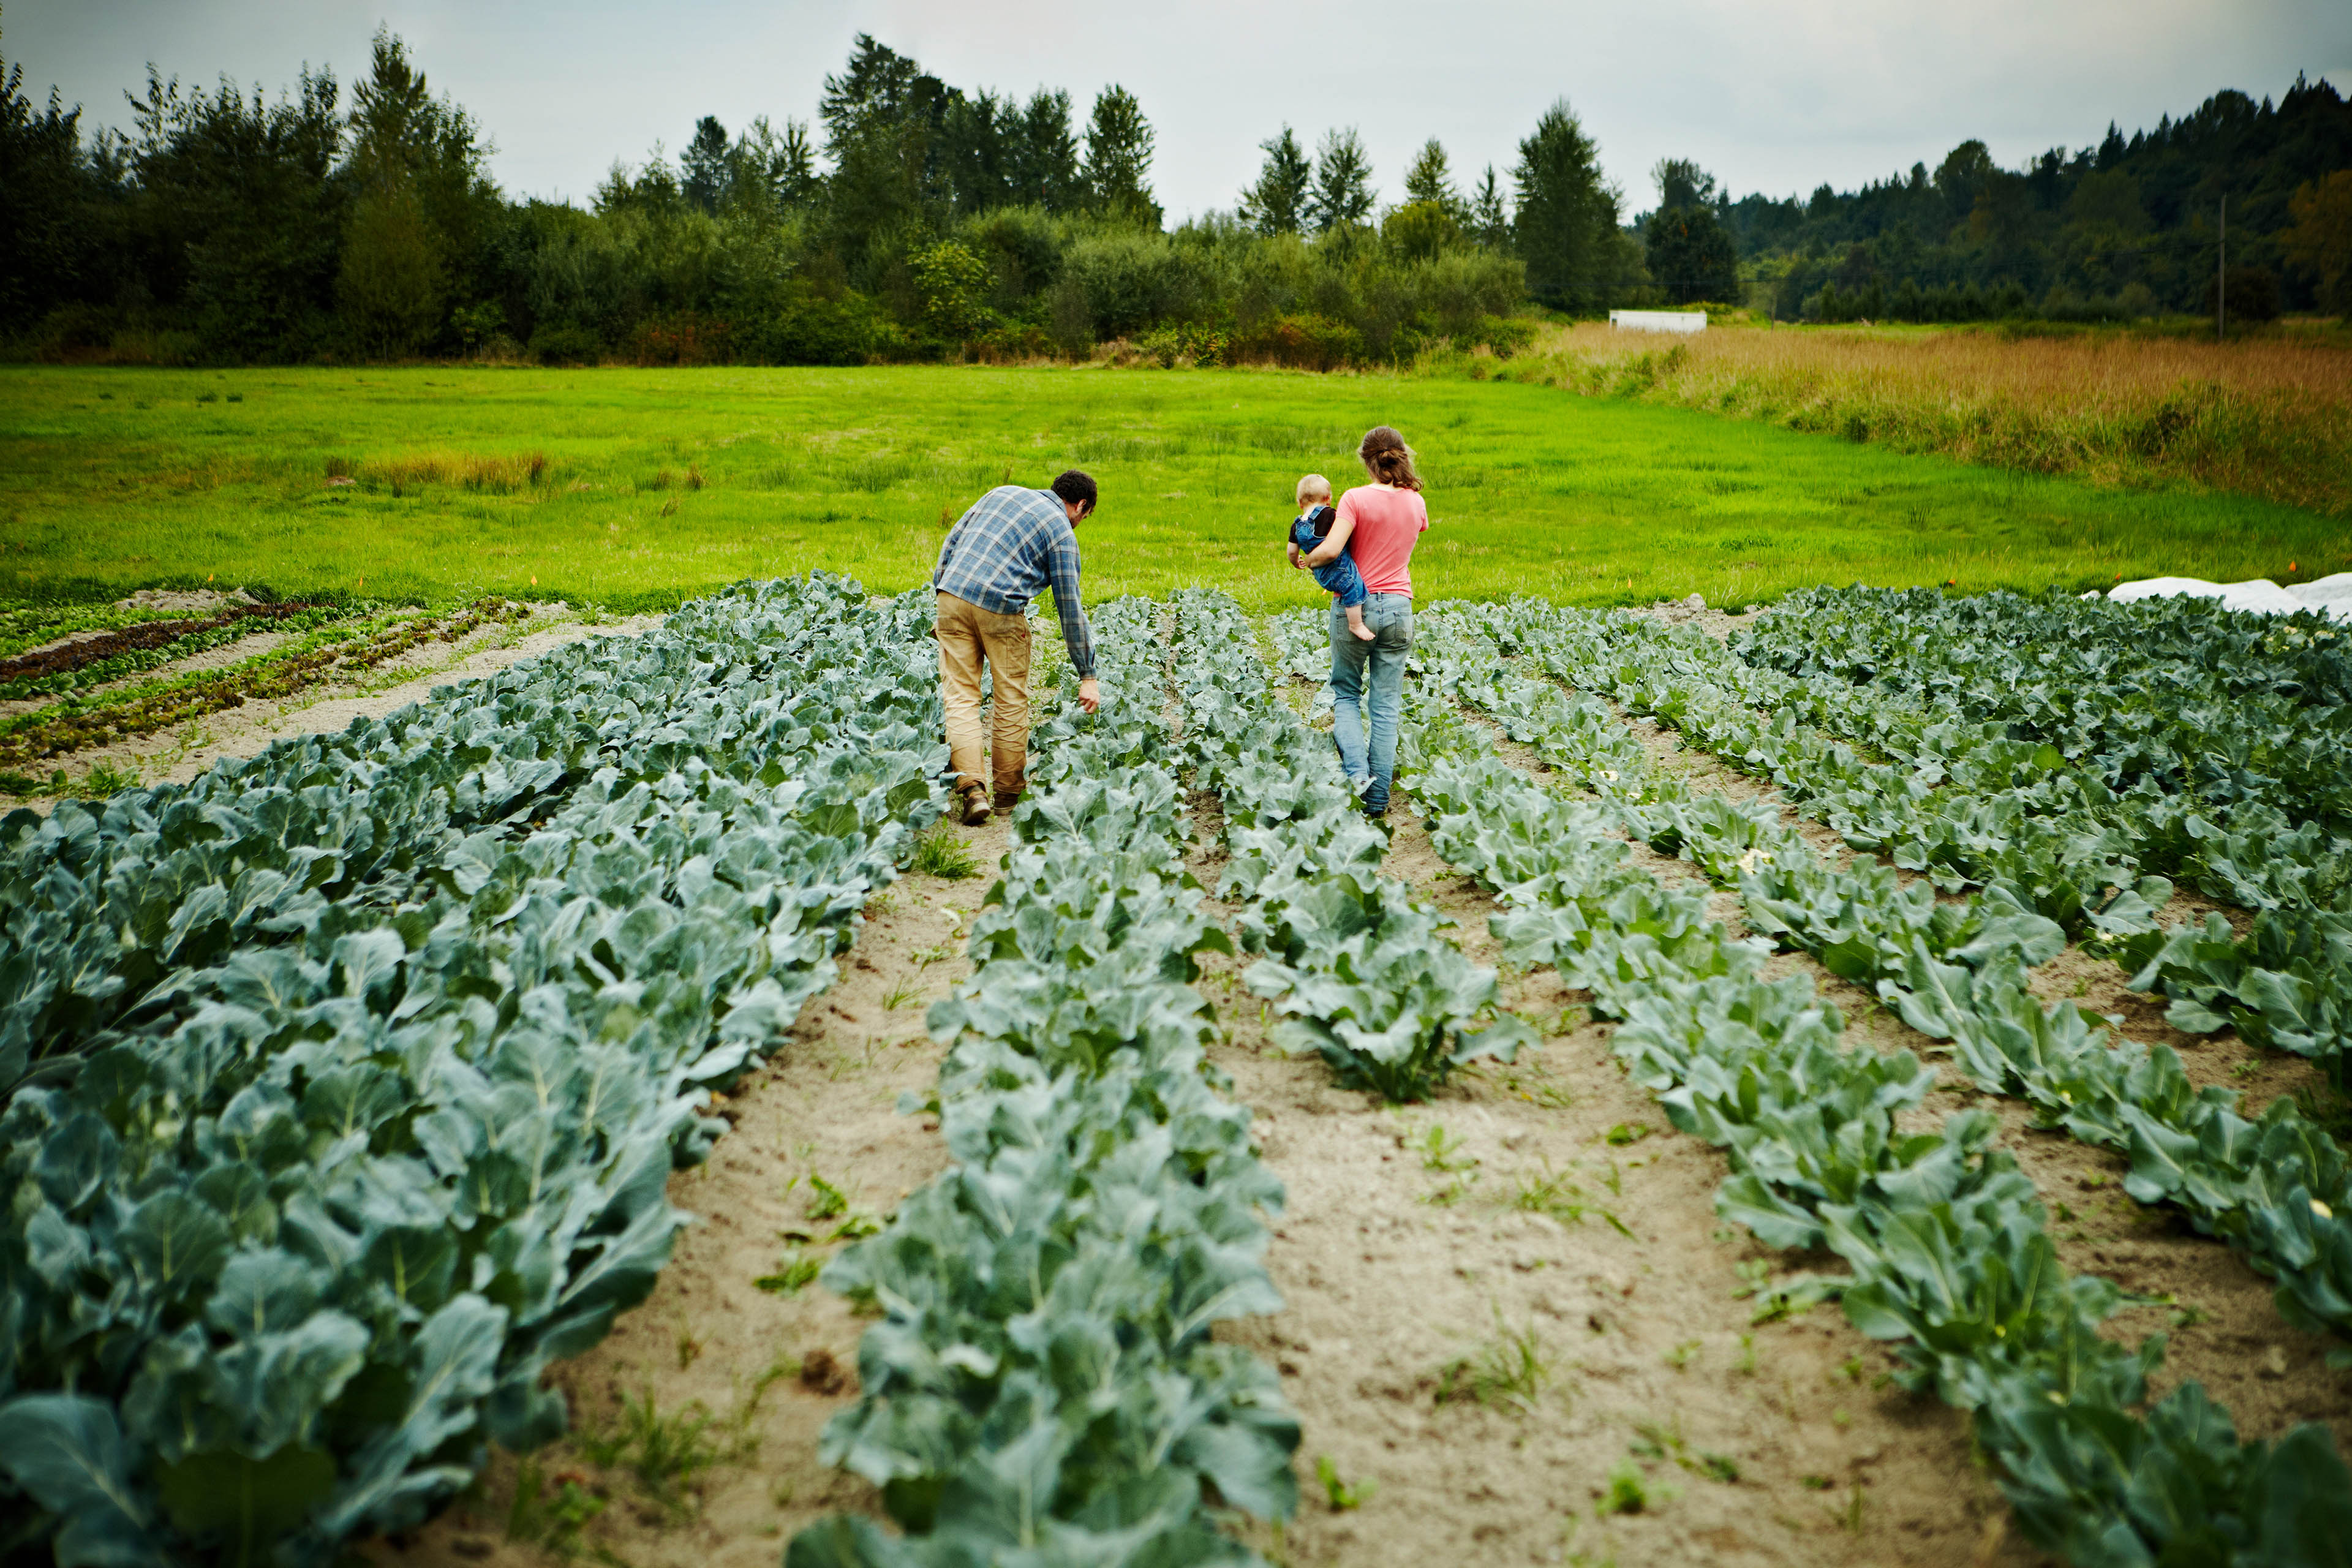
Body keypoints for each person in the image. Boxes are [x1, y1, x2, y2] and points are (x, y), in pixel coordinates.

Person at [932, 470, 1103, 826]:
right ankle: (1009, 797)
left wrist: (944, 597)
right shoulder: (1061, 532)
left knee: (961, 698)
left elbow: (951, 542)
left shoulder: (1002, 493)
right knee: (1010, 698)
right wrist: (1087, 673)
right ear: (1081, 505)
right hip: (1000, 609)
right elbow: (1069, 608)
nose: (1079, 525)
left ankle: (973, 792)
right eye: (1084, 518)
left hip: (951, 595)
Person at [1294, 426, 1426, 816]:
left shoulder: (1354, 499)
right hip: (1400, 607)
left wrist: (1309, 560)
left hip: (1356, 606)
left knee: (1347, 695)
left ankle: (1357, 781)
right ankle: (1379, 799)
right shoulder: (1416, 502)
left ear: (1367, 461)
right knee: (1386, 706)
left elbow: (1332, 549)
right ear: (1400, 456)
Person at [1286, 473, 1376, 642]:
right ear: (1328, 499)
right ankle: (1355, 624)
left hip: (1320, 574)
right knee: (1353, 587)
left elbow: (1291, 551)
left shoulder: (1297, 524)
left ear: (1300, 503)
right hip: (1338, 568)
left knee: (1346, 588)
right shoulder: (1330, 515)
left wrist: (1296, 562)